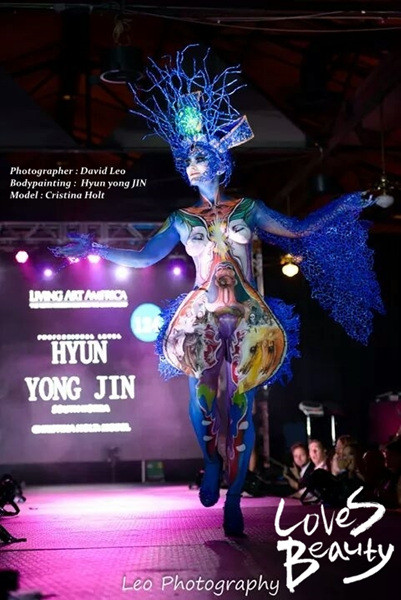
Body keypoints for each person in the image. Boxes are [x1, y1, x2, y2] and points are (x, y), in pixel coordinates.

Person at [51, 46, 383, 536]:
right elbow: (144, 257)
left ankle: (233, 497)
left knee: (241, 402)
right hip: (201, 313)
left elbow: (297, 231)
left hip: (248, 314)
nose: (193, 163)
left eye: (201, 155)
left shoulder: (248, 209)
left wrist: (349, 204)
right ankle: (210, 461)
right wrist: (95, 248)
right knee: (202, 393)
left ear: (220, 162)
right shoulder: (181, 219)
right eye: (188, 158)